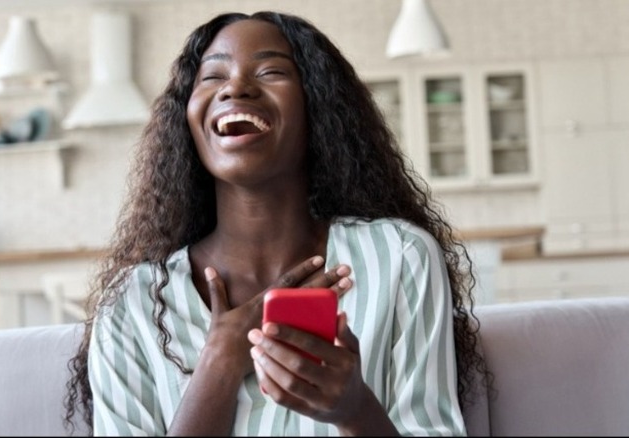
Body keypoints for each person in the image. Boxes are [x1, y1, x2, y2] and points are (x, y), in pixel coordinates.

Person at [64, 10, 490, 436]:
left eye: (270, 71)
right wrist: (219, 362)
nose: (235, 87)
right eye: (212, 76)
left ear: (317, 106)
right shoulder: (134, 303)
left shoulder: (400, 257)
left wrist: (356, 410)